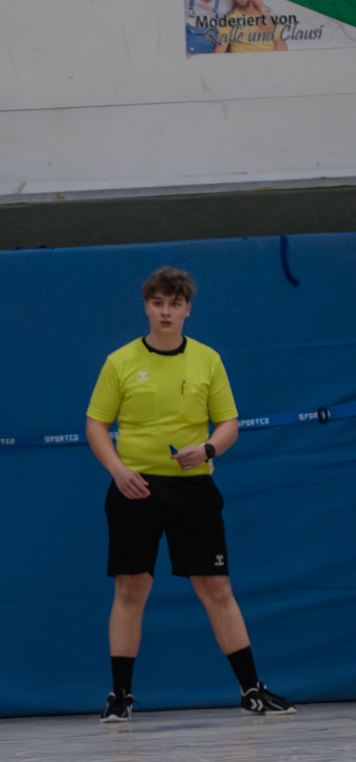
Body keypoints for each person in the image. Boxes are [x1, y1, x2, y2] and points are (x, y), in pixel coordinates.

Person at [85, 266, 295, 721]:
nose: (166, 312)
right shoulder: (120, 361)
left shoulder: (208, 360)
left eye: (174, 304)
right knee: (130, 588)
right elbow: (95, 425)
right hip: (135, 489)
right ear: (146, 307)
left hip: (194, 490)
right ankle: (120, 697)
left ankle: (252, 690)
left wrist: (208, 449)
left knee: (217, 587)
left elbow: (229, 424)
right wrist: (118, 471)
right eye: (158, 303)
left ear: (187, 310)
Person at [214, 0, 285, 52]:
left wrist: (279, 59)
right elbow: (220, 51)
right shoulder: (229, 20)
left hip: (271, 57)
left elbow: (278, 41)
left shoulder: (268, 14)